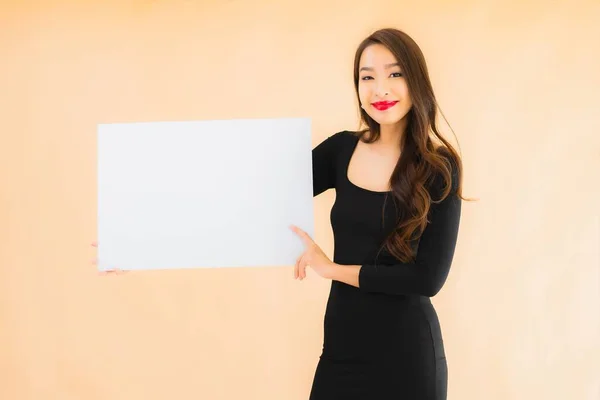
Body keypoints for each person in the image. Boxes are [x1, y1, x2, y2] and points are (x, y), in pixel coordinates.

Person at [289, 28, 464, 399]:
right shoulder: (340, 150)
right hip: (340, 351)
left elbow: (427, 279)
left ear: (416, 81)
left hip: (407, 359)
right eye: (367, 77)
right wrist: (141, 241)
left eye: (394, 74)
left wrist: (333, 270)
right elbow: (257, 196)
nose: (379, 89)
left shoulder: (439, 166)